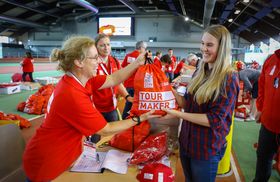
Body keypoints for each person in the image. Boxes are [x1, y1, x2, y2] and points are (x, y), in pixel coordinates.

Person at [23, 36, 159, 182]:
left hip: (62, 154)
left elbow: (114, 79)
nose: (99, 61)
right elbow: (105, 129)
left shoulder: (81, 81)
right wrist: (140, 118)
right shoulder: (71, 93)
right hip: (48, 162)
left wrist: (138, 62)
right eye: (94, 58)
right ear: (79, 62)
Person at [161, 25, 239, 182]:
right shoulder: (200, 70)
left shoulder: (229, 78)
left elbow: (214, 119)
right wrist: (169, 90)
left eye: (209, 45)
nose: (204, 48)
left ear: (222, 47)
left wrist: (177, 114)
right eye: (202, 43)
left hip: (206, 149)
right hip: (187, 143)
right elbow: (188, 104)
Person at [89, 34, 133, 143]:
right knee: (94, 139)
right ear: (96, 47)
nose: (106, 47)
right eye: (102, 45)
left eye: (108, 44)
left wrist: (127, 96)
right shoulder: (92, 63)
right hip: (95, 109)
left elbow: (118, 82)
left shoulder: (114, 61)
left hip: (111, 107)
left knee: (116, 136)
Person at [253, 49, 280, 182]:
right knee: (263, 159)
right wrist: (260, 108)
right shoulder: (271, 60)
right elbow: (262, 86)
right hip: (267, 125)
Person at [121, 40, 147, 119]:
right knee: (136, 103)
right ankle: (130, 118)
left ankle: (125, 117)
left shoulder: (128, 55)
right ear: (141, 48)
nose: (145, 50)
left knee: (129, 102)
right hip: (137, 84)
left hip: (128, 83)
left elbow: (123, 67)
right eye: (145, 48)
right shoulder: (142, 57)